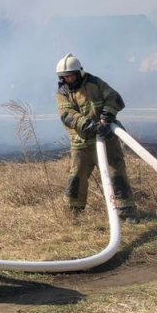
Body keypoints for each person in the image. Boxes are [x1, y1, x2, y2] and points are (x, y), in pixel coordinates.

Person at [55, 54, 136, 221]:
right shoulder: (63, 92)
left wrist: (106, 118)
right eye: (65, 77)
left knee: (116, 174)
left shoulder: (95, 83)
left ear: (80, 73)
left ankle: (126, 212)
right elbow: (67, 114)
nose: (68, 79)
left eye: (71, 75)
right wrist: (89, 125)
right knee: (77, 177)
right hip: (81, 143)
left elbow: (114, 98)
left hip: (107, 139)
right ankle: (74, 214)